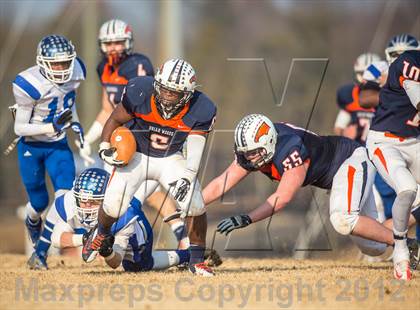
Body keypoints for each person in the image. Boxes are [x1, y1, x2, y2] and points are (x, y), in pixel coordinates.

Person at [202, 114, 419, 276]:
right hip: (338, 177)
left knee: (342, 219)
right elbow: (223, 182)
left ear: (268, 143)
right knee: (374, 246)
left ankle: (407, 245)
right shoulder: (256, 150)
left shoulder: (289, 148)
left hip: (351, 159)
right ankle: (416, 211)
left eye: (253, 153)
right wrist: (191, 205)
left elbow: (283, 197)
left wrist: (247, 218)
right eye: (245, 153)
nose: (249, 159)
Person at [82, 58, 217, 276]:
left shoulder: (201, 108)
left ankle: (197, 260)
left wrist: (189, 176)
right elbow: (115, 119)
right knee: (113, 205)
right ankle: (101, 232)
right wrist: (105, 145)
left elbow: (195, 149)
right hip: (136, 154)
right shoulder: (140, 91)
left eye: (174, 93)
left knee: (195, 203)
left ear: (187, 94)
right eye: (164, 89)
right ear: (156, 84)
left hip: (170, 157)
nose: (166, 96)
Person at [27, 168, 190, 271]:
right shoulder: (67, 202)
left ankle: (188, 255)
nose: (86, 206)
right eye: (83, 200)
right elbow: (56, 238)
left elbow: (115, 262)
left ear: (106, 200)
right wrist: (84, 239)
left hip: (133, 226)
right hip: (105, 220)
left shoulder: (124, 215)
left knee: (137, 266)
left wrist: (108, 252)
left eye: (93, 201)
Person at [12, 35, 86, 245]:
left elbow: (68, 103)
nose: (62, 68)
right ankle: (33, 222)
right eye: (56, 63)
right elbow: (19, 127)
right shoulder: (29, 84)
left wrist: (75, 123)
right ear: (42, 62)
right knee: (39, 202)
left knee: (65, 192)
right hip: (32, 146)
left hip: (57, 145)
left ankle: (49, 245)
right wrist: (50, 127)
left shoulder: (77, 71)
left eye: (65, 62)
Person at [366, 34, 420, 280]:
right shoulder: (407, 64)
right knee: (407, 189)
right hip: (385, 141)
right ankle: (400, 247)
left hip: (413, 141)